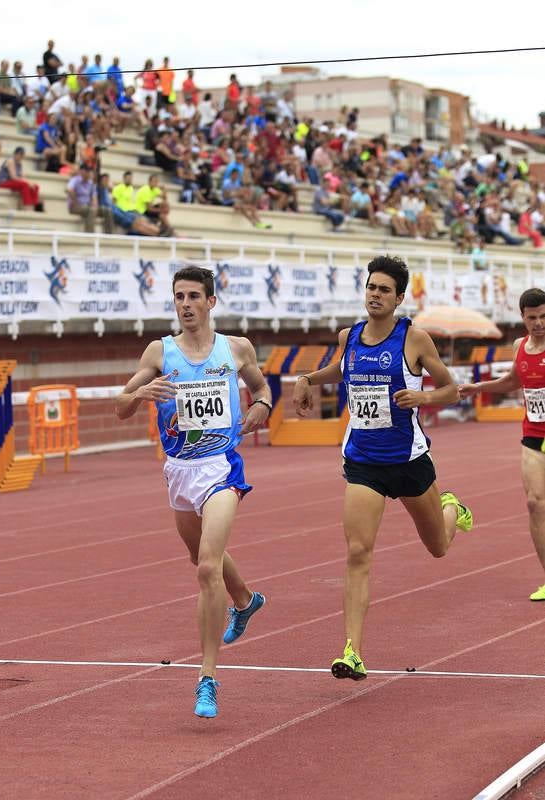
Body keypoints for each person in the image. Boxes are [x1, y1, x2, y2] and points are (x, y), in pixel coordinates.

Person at [292, 255, 474, 681]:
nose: (375, 295)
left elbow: (450, 388)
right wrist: (308, 379)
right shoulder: (349, 336)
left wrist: (423, 399)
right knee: (358, 552)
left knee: (438, 547)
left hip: (409, 462)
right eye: (371, 287)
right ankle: (352, 650)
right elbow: (343, 369)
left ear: (399, 298)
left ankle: (451, 508)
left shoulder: (414, 340)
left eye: (384, 290)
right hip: (364, 462)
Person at [115, 266, 271, 718]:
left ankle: (207, 678)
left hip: (222, 469)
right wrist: (143, 393)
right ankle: (245, 600)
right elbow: (120, 407)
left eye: (193, 296)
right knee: (200, 555)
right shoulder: (160, 352)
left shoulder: (235, 348)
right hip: (179, 472)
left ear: (211, 302)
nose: (185, 304)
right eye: (178, 296)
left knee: (206, 567)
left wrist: (260, 405)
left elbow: (260, 386)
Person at [460, 288, 545, 601]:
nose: (539, 323)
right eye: (532, 318)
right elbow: (514, 380)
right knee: (535, 504)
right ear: (523, 318)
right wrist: (479, 387)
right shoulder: (519, 345)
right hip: (534, 435)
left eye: (544, 317)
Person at [0, 146, 43, 211]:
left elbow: (22, 177)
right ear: (16, 154)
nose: (20, 157)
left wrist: (30, 183)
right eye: (19, 155)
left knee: (35, 186)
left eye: (22, 155)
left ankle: (34, 205)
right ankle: (28, 207)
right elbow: (13, 177)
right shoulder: (10, 161)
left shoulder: (19, 164)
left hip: (13, 182)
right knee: (25, 185)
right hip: (4, 182)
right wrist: (27, 183)